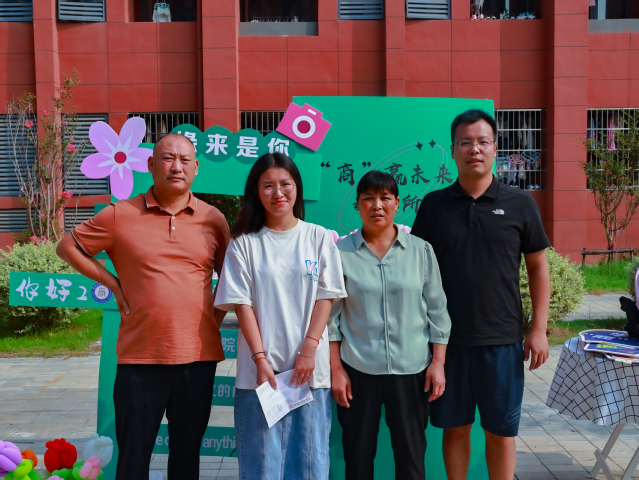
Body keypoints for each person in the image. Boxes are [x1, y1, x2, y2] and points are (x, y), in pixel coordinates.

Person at [56, 133, 230, 480]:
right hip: (140, 358)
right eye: (168, 158)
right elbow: (67, 247)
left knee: (186, 458)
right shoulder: (120, 214)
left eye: (185, 160)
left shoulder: (213, 219)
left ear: (196, 167)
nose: (176, 167)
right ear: (151, 165)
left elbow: (230, 280)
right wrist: (112, 283)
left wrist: (213, 319)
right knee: (133, 460)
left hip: (197, 359)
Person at [411, 108, 551, 480]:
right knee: (454, 428)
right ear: (453, 150)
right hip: (446, 343)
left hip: (502, 340)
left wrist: (538, 329)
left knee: (500, 433)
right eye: (465, 142)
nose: (474, 149)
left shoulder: (520, 203)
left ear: (495, 149)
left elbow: (538, 268)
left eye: (483, 142)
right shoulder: (434, 205)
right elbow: (416, 272)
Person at [214, 153, 347, 480]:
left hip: (309, 372)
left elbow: (326, 296)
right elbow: (241, 304)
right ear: (256, 192)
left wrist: (308, 350)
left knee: (310, 464)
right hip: (261, 374)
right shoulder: (244, 243)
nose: (278, 193)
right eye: (268, 186)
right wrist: (260, 359)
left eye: (285, 184)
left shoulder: (318, 237)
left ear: (297, 188)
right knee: (262, 466)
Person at [329, 170, 451, 480]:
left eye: (385, 198)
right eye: (368, 199)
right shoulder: (340, 253)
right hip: (358, 370)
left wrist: (438, 364)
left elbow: (438, 312)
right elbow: (330, 321)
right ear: (357, 205)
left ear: (397, 203)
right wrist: (336, 370)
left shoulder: (421, 251)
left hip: (412, 370)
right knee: (357, 459)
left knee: (411, 461)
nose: (377, 205)